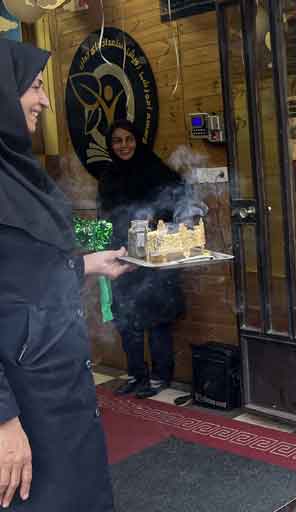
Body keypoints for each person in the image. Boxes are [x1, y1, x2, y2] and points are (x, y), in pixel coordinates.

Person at [0, 39, 132, 510]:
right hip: (23, 402)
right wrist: (3, 421)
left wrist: (88, 264)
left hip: (59, 390)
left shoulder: (16, 169)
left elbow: (22, 273)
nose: (45, 100)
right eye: (34, 86)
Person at [90, 119, 186, 399]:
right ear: (110, 145)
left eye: (128, 139)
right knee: (126, 317)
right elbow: (104, 215)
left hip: (154, 255)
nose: (123, 146)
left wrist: (159, 221)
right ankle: (136, 374)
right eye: (117, 141)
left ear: (138, 140)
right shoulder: (109, 176)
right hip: (121, 254)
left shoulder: (156, 170)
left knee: (156, 317)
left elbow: (178, 201)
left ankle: (160, 376)